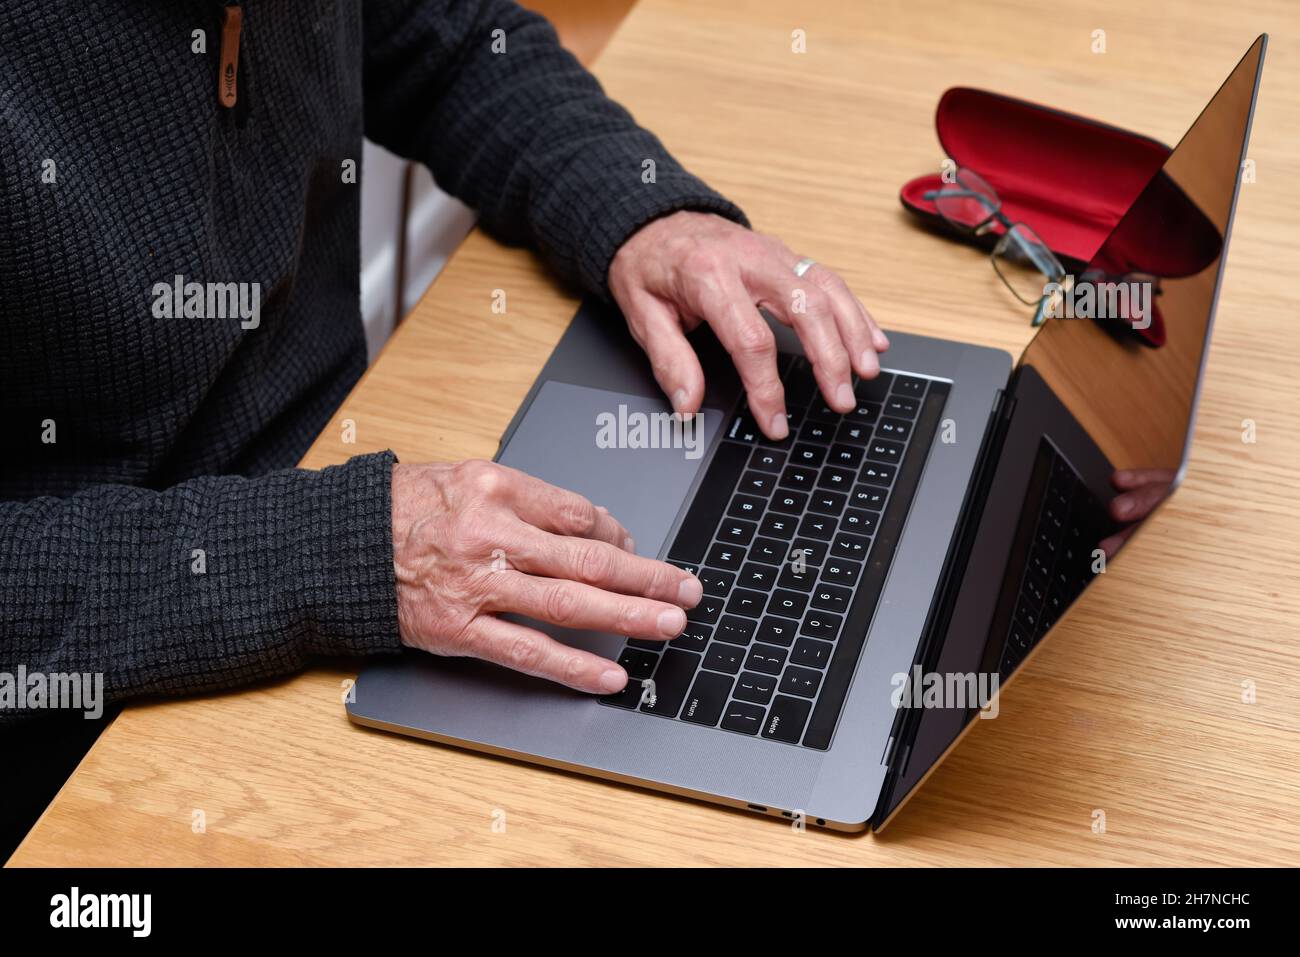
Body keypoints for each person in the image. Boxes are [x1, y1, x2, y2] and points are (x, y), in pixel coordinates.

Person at [0, 0, 890, 848]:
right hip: (110, 715)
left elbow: (451, 41)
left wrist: (641, 213)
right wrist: (345, 549)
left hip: (352, 510)